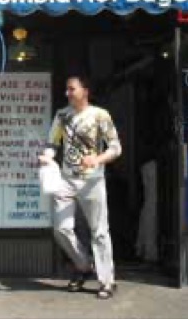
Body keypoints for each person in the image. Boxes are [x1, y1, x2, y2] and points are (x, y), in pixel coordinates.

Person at [39, 76, 122, 300]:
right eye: (66, 89)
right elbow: (52, 143)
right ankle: (84, 266)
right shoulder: (62, 115)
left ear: (85, 91)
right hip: (65, 179)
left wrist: (98, 159)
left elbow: (116, 147)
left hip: (92, 179)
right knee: (61, 228)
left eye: (72, 89)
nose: (67, 93)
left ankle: (107, 281)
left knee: (99, 231)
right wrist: (47, 157)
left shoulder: (100, 115)